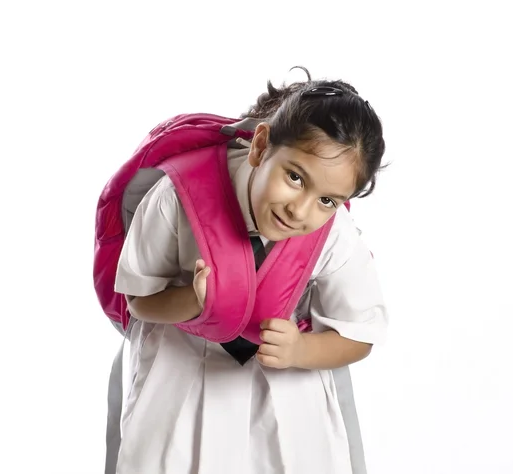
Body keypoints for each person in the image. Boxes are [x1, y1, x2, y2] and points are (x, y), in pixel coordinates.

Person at [113, 68, 388, 474]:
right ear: (260, 146)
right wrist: (191, 301)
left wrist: (302, 350)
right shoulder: (177, 196)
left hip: (285, 394)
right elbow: (138, 301)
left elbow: (359, 334)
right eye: (294, 177)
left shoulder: (336, 235)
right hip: (182, 377)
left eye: (328, 200)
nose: (300, 210)